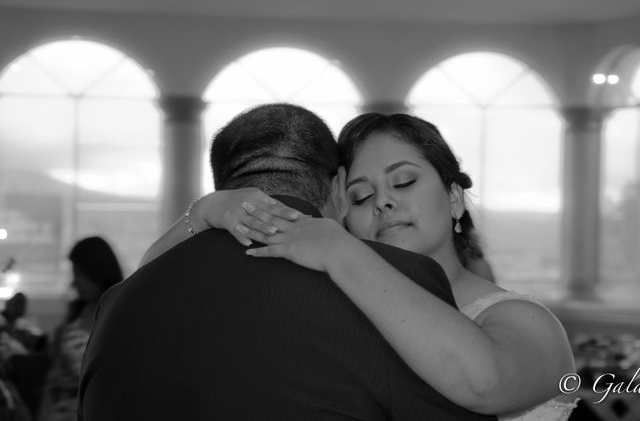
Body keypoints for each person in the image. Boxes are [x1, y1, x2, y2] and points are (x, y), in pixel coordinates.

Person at [144, 112, 578, 421]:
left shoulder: (521, 318)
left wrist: (339, 250)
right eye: (360, 196)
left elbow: (487, 384)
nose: (384, 201)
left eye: (404, 181)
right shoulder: (346, 315)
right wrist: (203, 213)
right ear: (341, 211)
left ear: (453, 197)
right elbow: (139, 292)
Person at [79, 104, 494, 421]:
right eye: (360, 195)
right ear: (336, 187)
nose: (382, 205)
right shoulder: (393, 281)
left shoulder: (119, 302)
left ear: (224, 186)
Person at [39, 237, 123, 421]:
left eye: (80, 274)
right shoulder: (75, 317)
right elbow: (52, 384)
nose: (76, 283)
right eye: (75, 274)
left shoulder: (121, 312)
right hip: (65, 410)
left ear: (97, 271)